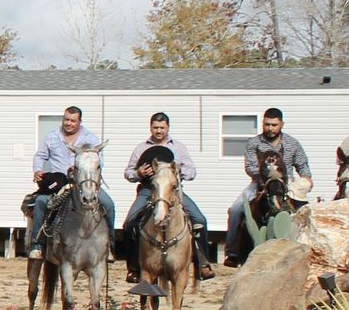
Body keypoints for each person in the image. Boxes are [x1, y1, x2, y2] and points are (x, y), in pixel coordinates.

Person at [121, 112, 215, 282]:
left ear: (168, 128)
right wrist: (138, 173)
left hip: (173, 191)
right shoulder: (141, 148)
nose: (159, 131)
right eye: (155, 127)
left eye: (162, 128)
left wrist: (180, 170)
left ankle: (202, 263)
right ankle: (133, 268)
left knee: (199, 219)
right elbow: (128, 172)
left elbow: (192, 171)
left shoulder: (179, 147)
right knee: (129, 223)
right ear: (150, 128)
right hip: (148, 190)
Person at [225, 107, 313, 266]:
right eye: (267, 125)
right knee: (236, 209)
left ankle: (306, 247)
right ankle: (232, 252)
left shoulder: (292, 143)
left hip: (286, 183)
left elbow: (302, 164)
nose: (270, 128)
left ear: (281, 124)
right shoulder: (254, 143)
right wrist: (263, 178)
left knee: (303, 211)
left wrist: (306, 178)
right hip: (260, 182)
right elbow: (250, 167)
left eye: (274, 125)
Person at [27, 106, 116, 259]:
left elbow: (98, 161)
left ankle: (109, 246)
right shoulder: (52, 137)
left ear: (80, 121)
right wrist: (37, 170)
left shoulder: (90, 139)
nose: (68, 123)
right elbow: (40, 155)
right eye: (66, 119)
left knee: (108, 204)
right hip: (58, 183)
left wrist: (81, 167)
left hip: (84, 184)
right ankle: (37, 245)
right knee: (41, 202)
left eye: (73, 121)